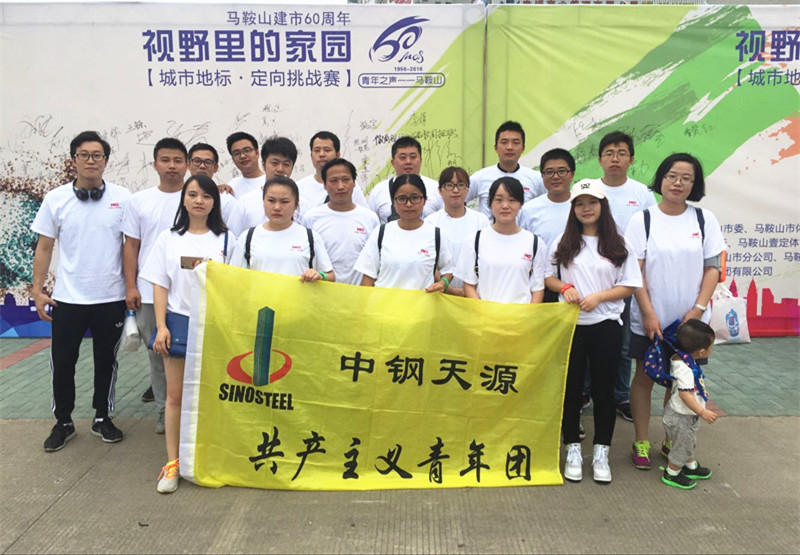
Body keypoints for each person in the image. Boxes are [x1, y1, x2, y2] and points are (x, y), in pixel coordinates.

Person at [31, 131, 131, 452]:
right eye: (84, 155)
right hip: (67, 299)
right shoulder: (55, 199)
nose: (91, 160)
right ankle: (63, 421)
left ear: (106, 161)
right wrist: (37, 290)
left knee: (106, 362)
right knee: (63, 362)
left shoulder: (123, 198)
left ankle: (103, 417)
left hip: (111, 297)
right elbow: (44, 246)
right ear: (74, 159)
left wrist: (131, 288)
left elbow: (131, 246)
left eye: (97, 155)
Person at [625, 153, 726, 470]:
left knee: (681, 382)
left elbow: (713, 268)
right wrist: (648, 313)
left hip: (691, 324)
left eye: (686, 178)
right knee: (644, 378)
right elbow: (634, 271)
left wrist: (697, 309)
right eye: (671, 176)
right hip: (651, 319)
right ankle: (642, 440)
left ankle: (672, 440)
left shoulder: (704, 220)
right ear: (661, 179)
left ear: (695, 184)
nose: (677, 183)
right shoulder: (643, 220)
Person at [544, 179, 641, 483]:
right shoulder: (563, 242)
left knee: (603, 392)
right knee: (571, 390)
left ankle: (602, 452)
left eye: (592, 203)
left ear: (602, 205)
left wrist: (600, 297)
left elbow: (629, 285)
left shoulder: (618, 244)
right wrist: (565, 287)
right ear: (573, 208)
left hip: (606, 326)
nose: (586, 209)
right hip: (571, 326)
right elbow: (548, 277)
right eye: (580, 203)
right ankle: (572, 448)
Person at [139, 174, 231, 493]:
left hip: (215, 326)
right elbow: (160, 284)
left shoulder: (227, 240)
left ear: (214, 202)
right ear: (184, 200)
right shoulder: (169, 238)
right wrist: (161, 326)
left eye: (206, 196)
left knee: (212, 396)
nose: (199, 201)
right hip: (178, 323)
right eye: (192, 195)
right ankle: (173, 463)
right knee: (176, 397)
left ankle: (209, 458)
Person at [123, 137, 189, 432]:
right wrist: (131, 286)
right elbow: (131, 246)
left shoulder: (198, 196)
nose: (172, 166)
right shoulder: (139, 201)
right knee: (157, 352)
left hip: (188, 291)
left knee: (191, 351)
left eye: (177, 160)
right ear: (155, 165)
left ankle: (191, 409)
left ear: (187, 164)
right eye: (165, 160)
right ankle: (164, 408)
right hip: (149, 291)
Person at [596, 131, 657, 422]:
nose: (615, 158)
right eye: (609, 153)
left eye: (621, 153)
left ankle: (620, 396)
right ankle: (585, 392)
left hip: (627, 279)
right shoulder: (590, 189)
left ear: (631, 159)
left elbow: (650, 236)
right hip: (592, 277)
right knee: (589, 338)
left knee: (622, 344)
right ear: (600, 159)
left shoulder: (641, 194)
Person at [356, 174, 455, 292]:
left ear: (424, 200)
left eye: (415, 198)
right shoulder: (381, 233)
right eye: (402, 198)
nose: (408, 204)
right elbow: (368, 276)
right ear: (393, 202)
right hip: (383, 303)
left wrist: (443, 283)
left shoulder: (436, 234)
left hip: (422, 303)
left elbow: (448, 269)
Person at [456, 177, 546, 304]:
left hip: (521, 315)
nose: (505, 206)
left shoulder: (535, 243)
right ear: (490, 203)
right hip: (484, 314)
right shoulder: (475, 240)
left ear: (521, 204)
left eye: (512, 200)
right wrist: (483, 312)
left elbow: (537, 289)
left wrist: (528, 315)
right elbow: (469, 285)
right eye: (498, 200)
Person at [230, 176, 335, 283]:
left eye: (284, 201)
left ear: (296, 204)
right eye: (271, 200)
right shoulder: (248, 237)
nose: (277, 207)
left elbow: (330, 276)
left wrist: (320, 275)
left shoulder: (310, 237)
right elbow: (233, 277)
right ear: (263, 201)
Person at [302, 158, 379, 285]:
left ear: (354, 183)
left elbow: (375, 261)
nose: (340, 186)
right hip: (321, 291)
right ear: (325, 185)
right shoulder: (311, 218)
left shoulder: (370, 218)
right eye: (333, 181)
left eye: (346, 179)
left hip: (359, 293)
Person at [661, 320, 717, 489]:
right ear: (701, 351)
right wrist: (702, 411)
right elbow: (684, 394)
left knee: (689, 441)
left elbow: (691, 387)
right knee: (682, 445)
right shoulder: (685, 369)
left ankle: (689, 465)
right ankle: (672, 472)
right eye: (711, 346)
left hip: (685, 415)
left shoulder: (684, 360)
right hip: (681, 416)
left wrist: (701, 393)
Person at [424, 167, 490, 296]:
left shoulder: (481, 221)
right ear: (440, 190)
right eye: (449, 185)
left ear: (468, 190)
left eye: (461, 185)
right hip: (439, 293)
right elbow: (429, 261)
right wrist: (448, 288)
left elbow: (486, 259)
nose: (455, 190)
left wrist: (469, 290)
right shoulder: (430, 222)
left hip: (474, 295)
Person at [466, 121, 545, 219]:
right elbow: (459, 202)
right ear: (495, 147)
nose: (509, 147)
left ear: (523, 148)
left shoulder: (535, 178)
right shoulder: (480, 177)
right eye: (504, 142)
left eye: (516, 143)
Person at [227, 136, 298, 237]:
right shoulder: (246, 202)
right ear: (264, 165)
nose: (280, 169)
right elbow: (232, 239)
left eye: (286, 164)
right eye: (275, 163)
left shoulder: (301, 203)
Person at [367, 136, 443, 224]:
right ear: (393, 162)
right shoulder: (378, 191)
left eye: (413, 157)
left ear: (420, 160)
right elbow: (371, 224)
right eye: (402, 158)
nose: (408, 162)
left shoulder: (436, 189)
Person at [294, 131, 367, 220]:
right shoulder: (298, 187)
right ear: (311, 155)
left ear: (338, 155)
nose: (321, 154)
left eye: (327, 150)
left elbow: (363, 216)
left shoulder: (350, 187)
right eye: (317, 150)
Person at [187, 142, 235, 224]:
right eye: (197, 161)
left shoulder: (226, 200)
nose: (202, 166)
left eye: (208, 162)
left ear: (215, 167)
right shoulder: (180, 195)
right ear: (188, 165)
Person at [225, 132, 265, 198]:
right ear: (233, 159)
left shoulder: (271, 181)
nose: (242, 156)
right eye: (237, 153)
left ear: (257, 153)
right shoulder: (231, 187)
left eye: (247, 150)